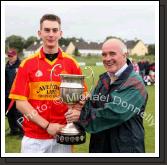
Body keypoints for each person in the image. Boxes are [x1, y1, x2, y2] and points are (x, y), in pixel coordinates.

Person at [9, 14, 86, 153]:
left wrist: (76, 110)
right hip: (34, 138)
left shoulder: (72, 63)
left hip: (64, 136)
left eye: (55, 30)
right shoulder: (27, 64)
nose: (51, 34)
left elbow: (82, 96)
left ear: (60, 34)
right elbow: (20, 103)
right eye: (47, 30)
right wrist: (46, 125)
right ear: (40, 33)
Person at [66, 38, 148, 153]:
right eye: (104, 55)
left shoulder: (135, 83)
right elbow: (92, 104)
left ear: (125, 55)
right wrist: (82, 104)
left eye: (112, 54)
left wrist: (81, 116)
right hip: (99, 147)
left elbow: (116, 113)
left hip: (126, 149)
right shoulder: (103, 79)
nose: (107, 58)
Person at [5, 48, 23, 136]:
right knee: (9, 114)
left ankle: (23, 131)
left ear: (16, 55)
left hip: (18, 93)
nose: (10, 57)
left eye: (12, 56)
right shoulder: (6, 66)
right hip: (7, 93)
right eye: (9, 56)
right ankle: (14, 130)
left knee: (19, 113)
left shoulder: (21, 65)